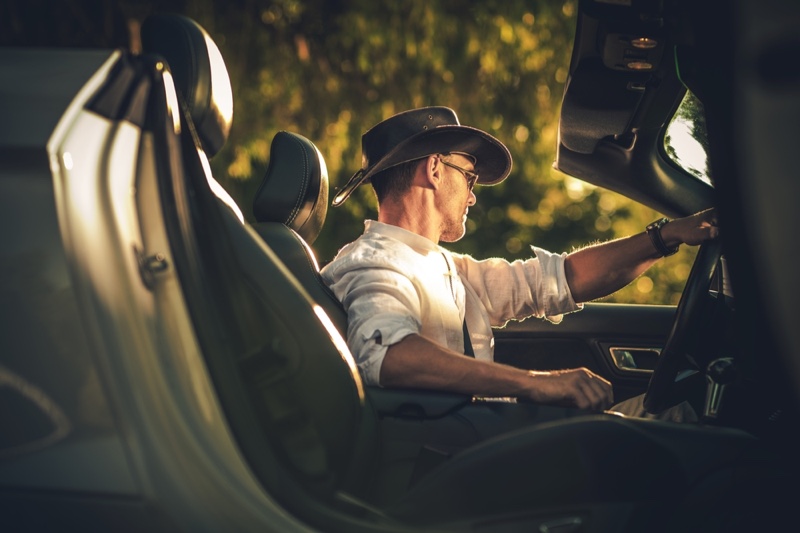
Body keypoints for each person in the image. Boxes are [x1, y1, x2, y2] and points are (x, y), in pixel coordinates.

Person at [322, 106, 718, 416]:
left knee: (676, 414)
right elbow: (389, 355)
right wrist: (536, 382)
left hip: (485, 434)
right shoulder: (374, 262)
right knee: (686, 426)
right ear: (435, 169)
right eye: (470, 177)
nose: (473, 196)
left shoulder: (440, 265)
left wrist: (665, 237)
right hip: (462, 454)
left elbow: (562, 278)